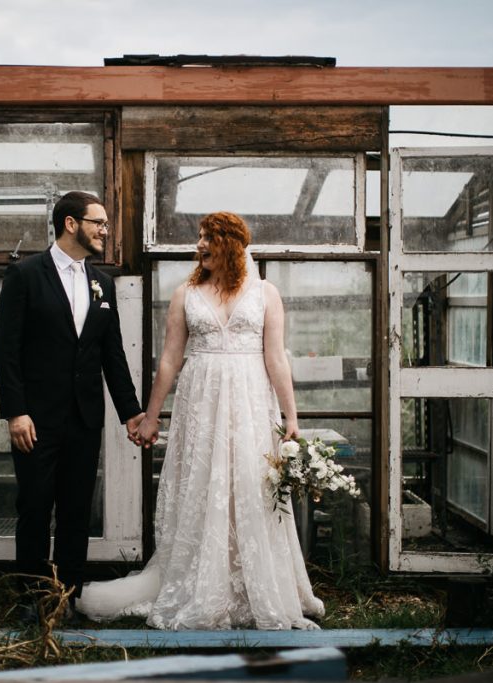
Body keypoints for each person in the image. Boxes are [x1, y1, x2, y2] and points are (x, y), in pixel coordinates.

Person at [76, 211, 324, 630]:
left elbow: (276, 358)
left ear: (233, 244)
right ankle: (201, 585)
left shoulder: (265, 294)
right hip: (201, 403)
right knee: (203, 485)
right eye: (200, 237)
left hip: (249, 403)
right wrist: (150, 416)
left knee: (248, 488)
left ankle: (251, 585)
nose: (200, 245)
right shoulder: (185, 294)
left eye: (209, 238)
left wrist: (291, 417)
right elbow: (170, 359)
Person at [0, 191, 144, 620]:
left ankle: (69, 599)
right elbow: (7, 350)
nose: (105, 230)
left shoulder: (103, 283)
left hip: (84, 418)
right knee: (36, 507)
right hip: (35, 420)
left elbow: (111, 355)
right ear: (71, 224)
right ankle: (32, 599)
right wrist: (15, 412)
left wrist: (130, 413)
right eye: (98, 222)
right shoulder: (24, 275)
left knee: (77, 511)